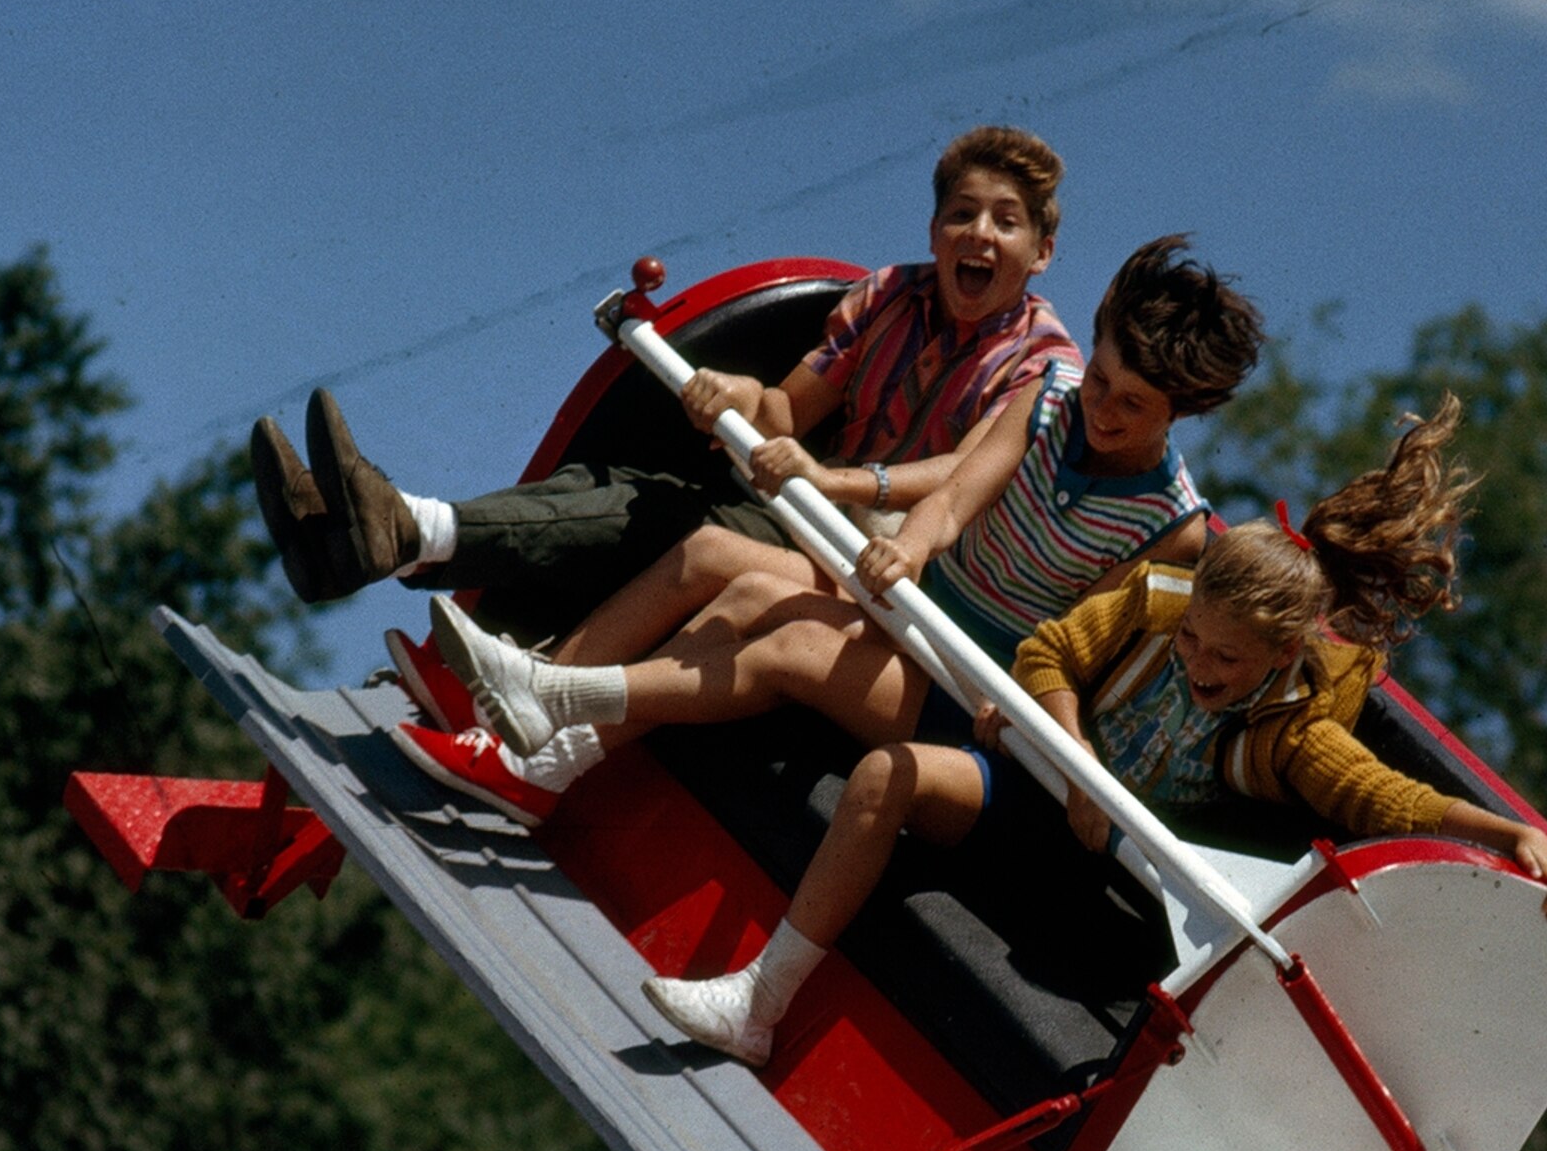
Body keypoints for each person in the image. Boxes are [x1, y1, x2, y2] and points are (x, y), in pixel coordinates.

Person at [634, 425, 1547, 1065]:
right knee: (888, 772)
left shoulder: (1289, 730)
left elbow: (1387, 799)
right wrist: (1075, 750)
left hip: (1092, 863)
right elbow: (1051, 649)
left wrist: (1502, 834)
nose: (1199, 664)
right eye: (1193, 643)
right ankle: (760, 1001)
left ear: (1278, 657)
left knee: (885, 749)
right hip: (1041, 784)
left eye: (1224, 660)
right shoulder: (1159, 598)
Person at [393, 236, 1263, 824]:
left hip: (967, 689)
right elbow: (956, 498)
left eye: (1134, 405)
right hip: (911, 604)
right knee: (711, 555)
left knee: (780, 633)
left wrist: (1023, 695)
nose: (1103, 411)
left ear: (1184, 413)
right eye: (1105, 380)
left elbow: (1081, 644)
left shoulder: (1171, 526)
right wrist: (910, 546)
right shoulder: (1053, 394)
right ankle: (512, 737)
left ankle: (545, 730)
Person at [248, 126, 1079, 658]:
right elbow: (791, 410)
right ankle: (370, 537)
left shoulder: (1041, 365)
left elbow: (963, 482)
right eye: (962, 215)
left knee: (691, 526)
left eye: (1005, 222)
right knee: (631, 497)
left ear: (1040, 251)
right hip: (819, 515)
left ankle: (416, 554)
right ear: (934, 230)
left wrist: (831, 483)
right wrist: (734, 391)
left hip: (907, 569)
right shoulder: (890, 295)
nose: (979, 234)